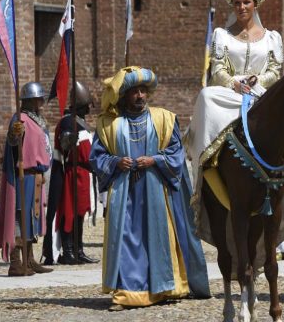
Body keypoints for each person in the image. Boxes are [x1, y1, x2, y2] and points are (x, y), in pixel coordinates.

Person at [185, 0, 284, 213]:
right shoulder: (222, 35)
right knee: (206, 95)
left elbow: (275, 69)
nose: (241, 7)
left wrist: (258, 80)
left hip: (261, 93)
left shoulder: (271, 37)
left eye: (246, 2)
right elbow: (217, 67)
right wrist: (234, 82)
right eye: (236, 3)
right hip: (230, 93)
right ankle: (207, 160)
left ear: (255, 5)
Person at [89, 66, 210, 311]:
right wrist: (115, 162)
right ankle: (126, 292)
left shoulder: (164, 119)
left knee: (159, 237)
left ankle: (165, 288)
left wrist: (155, 160)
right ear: (124, 95)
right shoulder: (109, 125)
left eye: (143, 91)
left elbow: (176, 153)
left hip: (156, 192)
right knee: (125, 239)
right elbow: (96, 157)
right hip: (125, 194)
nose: (140, 96)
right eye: (134, 92)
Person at [0, 82, 53, 276]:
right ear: (30, 101)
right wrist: (14, 134)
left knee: (32, 218)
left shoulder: (38, 120)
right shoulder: (19, 119)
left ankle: (29, 259)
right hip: (22, 176)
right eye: (37, 99)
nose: (41, 102)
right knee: (19, 217)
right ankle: (16, 262)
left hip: (36, 177)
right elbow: (12, 142)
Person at [43, 81, 99, 265]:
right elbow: (64, 144)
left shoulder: (80, 122)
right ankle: (67, 251)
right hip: (72, 173)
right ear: (80, 105)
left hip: (84, 174)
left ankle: (78, 249)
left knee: (81, 212)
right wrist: (69, 137)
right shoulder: (68, 121)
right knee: (70, 212)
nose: (89, 110)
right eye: (86, 106)